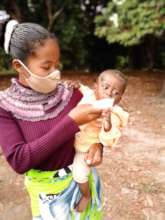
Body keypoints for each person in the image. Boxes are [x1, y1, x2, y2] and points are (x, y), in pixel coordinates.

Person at [0, 14, 105, 220]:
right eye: (46, 67)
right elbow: (19, 160)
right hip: (48, 196)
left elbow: (95, 126)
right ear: (19, 66)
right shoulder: (5, 107)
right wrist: (71, 122)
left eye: (57, 65)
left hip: (83, 182)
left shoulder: (70, 93)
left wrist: (98, 146)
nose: (55, 73)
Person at [73, 69, 129, 212]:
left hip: (84, 149)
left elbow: (109, 139)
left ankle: (87, 195)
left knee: (79, 174)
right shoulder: (90, 95)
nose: (109, 94)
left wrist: (107, 122)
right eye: (105, 88)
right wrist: (76, 85)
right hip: (71, 139)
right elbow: (83, 88)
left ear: (120, 98)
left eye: (116, 93)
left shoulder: (114, 113)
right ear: (96, 87)